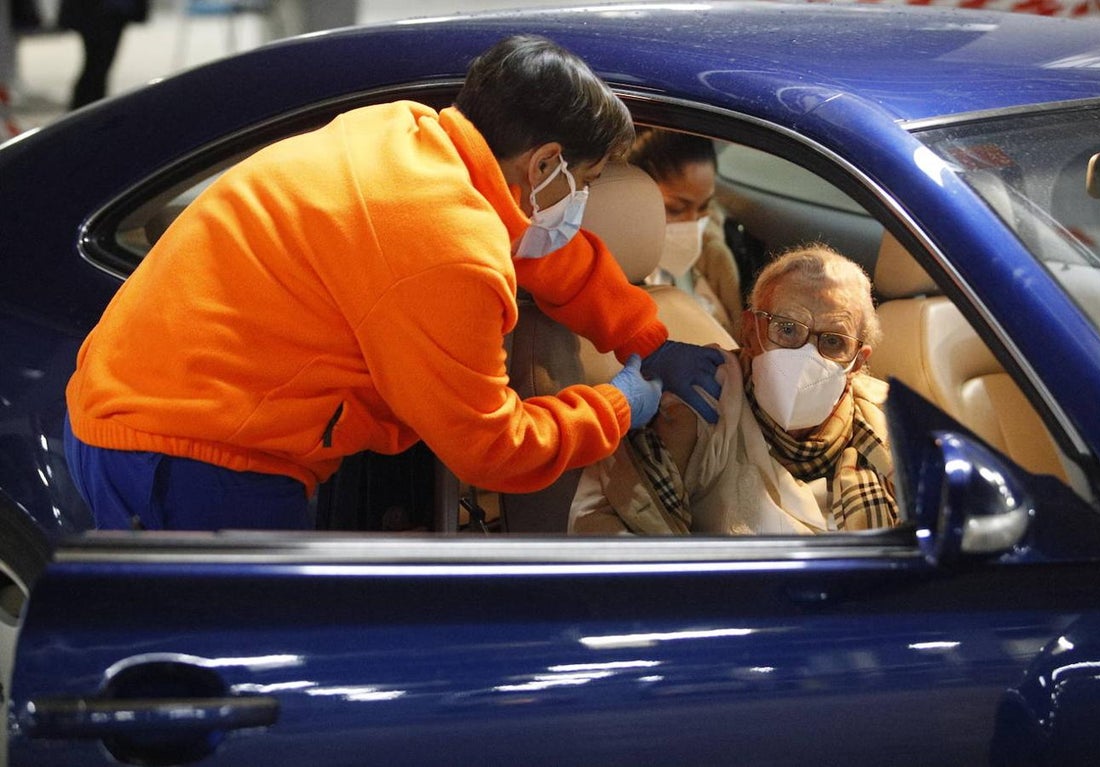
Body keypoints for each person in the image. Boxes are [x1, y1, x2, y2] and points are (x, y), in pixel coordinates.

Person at [64, 34, 724, 531]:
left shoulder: (412, 137)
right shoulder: (448, 251)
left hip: (148, 404)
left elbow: (537, 244)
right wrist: (619, 404)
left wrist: (648, 335)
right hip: (191, 460)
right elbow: (493, 449)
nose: (579, 199)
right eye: (584, 180)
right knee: (233, 688)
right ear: (545, 163)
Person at [570, 243, 900, 535]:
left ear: (858, 361)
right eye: (787, 329)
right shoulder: (696, 403)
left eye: (832, 341)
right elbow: (621, 545)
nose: (806, 354)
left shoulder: (891, 425)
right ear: (751, 331)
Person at [627, 128, 743, 335]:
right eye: (676, 209)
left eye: (703, 207)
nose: (692, 222)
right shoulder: (610, 277)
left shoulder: (713, 259)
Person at [57, 0, 150, 110]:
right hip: (100, 12)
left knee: (98, 66)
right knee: (96, 66)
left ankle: (90, 108)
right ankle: (87, 110)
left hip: (109, 12)